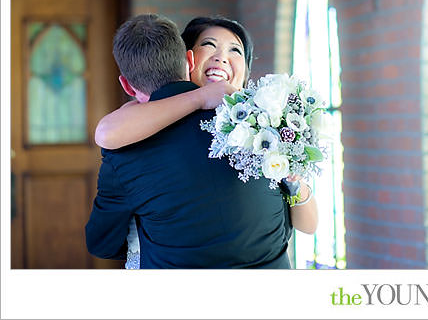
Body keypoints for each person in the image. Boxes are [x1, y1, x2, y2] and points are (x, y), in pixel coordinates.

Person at [85, 14, 316, 268]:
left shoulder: (267, 128)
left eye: (235, 50)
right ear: (189, 59)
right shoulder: (130, 130)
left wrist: (295, 181)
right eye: (209, 45)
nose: (221, 57)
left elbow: (303, 224)